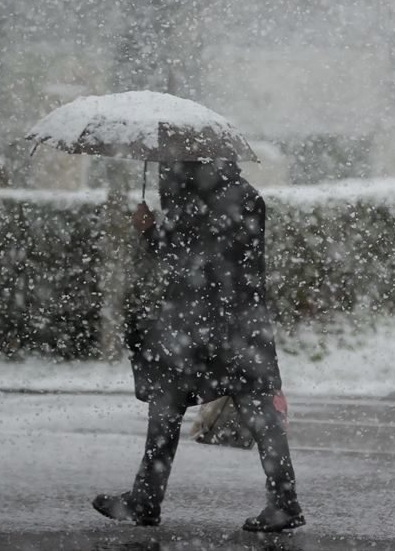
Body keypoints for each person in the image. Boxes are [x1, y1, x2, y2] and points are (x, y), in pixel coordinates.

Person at [92, 159, 303, 533]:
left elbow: (184, 259)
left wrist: (149, 231)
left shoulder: (193, 198)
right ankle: (284, 501)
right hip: (244, 318)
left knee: (165, 407)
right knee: (258, 410)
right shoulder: (246, 195)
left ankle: (146, 497)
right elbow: (218, 256)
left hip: (197, 324)